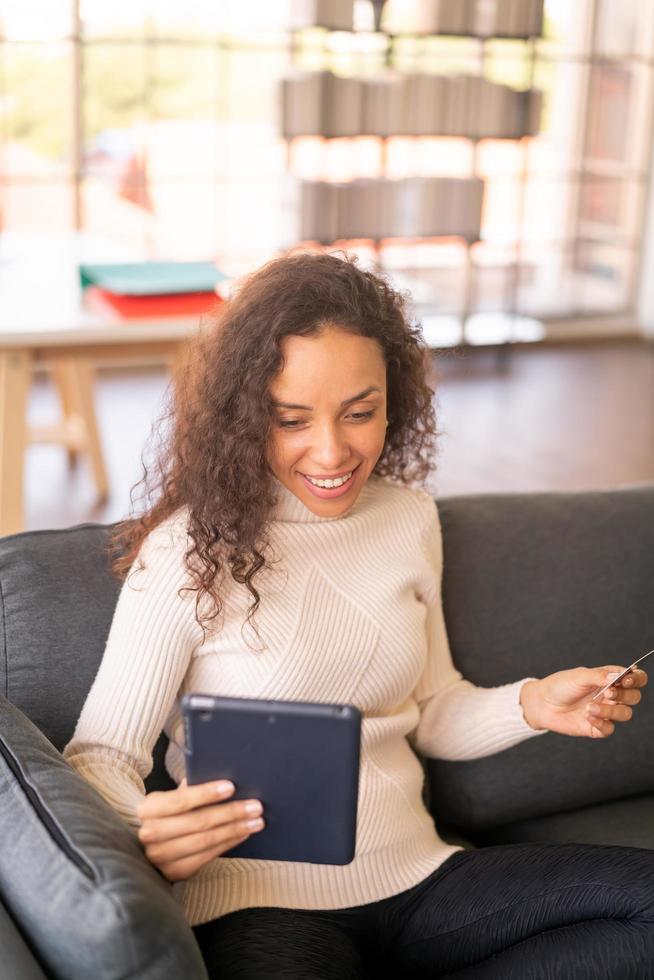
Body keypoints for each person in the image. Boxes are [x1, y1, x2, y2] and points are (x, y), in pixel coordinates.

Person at [63, 251, 653, 979]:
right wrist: (141, 821)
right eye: (290, 420)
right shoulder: (187, 549)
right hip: (258, 906)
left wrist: (534, 704)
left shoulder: (408, 519)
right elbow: (100, 758)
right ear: (245, 417)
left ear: (391, 400)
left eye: (360, 413)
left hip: (421, 884)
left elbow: (432, 710)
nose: (333, 451)